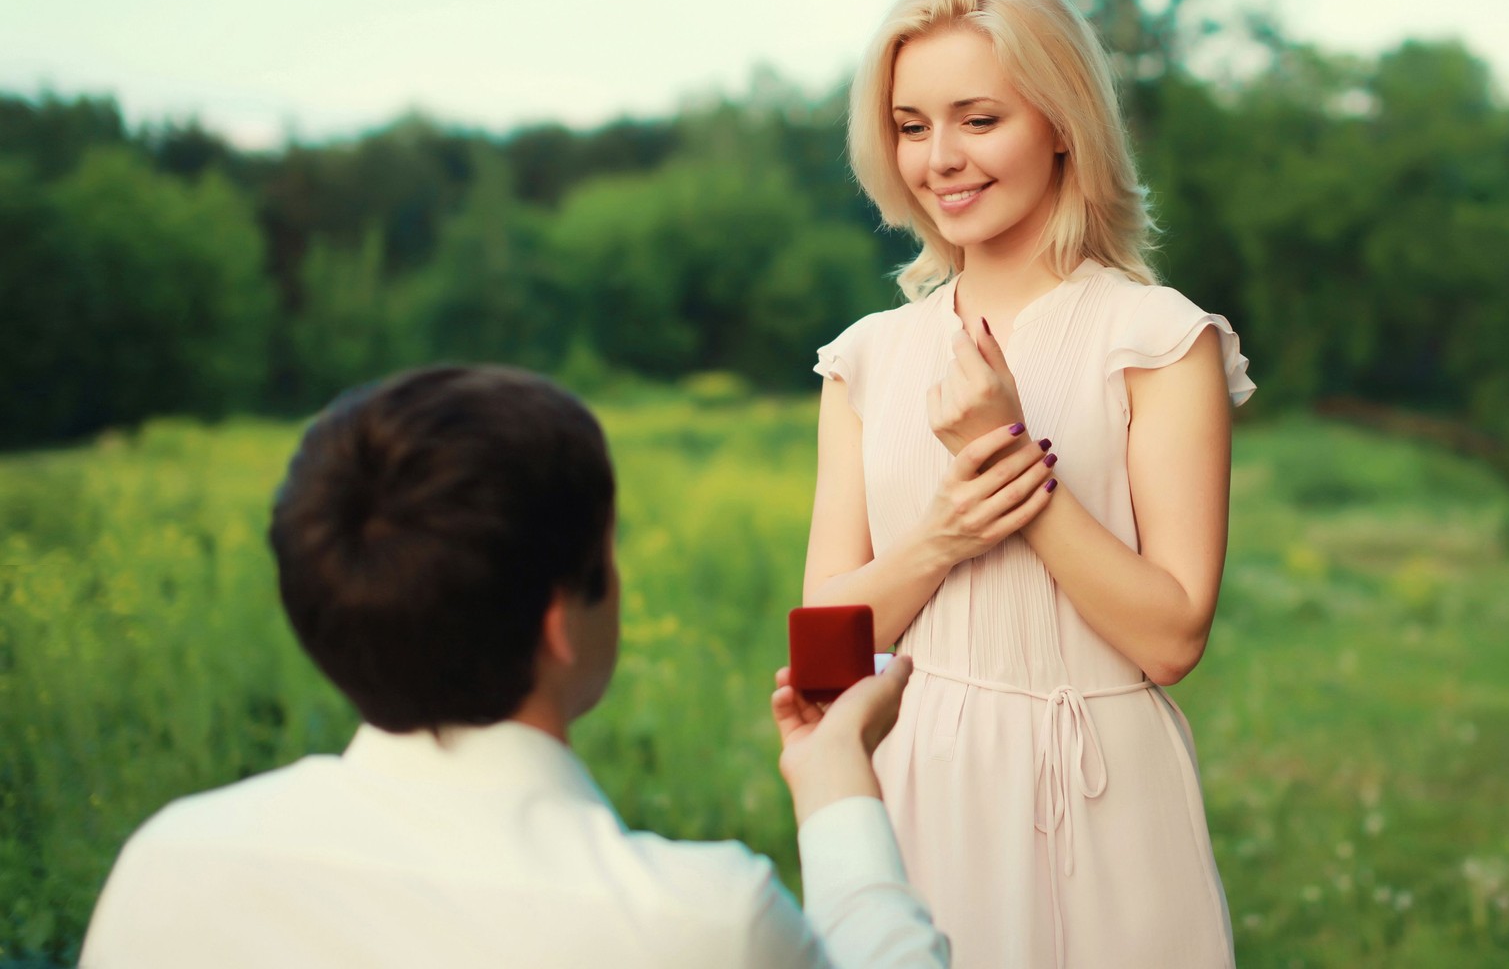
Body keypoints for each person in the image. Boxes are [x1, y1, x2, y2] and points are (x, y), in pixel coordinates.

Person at [80, 365, 950, 969]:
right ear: (558, 619)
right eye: (607, 557)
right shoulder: (699, 921)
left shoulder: (169, 861)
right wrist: (835, 785)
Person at [805, 0, 1255, 969]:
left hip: (1100, 791)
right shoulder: (866, 358)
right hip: (915, 784)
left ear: (1061, 122)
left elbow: (1172, 635)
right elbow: (824, 658)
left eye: (978, 118)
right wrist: (942, 537)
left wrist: (1009, 463)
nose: (942, 159)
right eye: (911, 126)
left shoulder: (1159, 341)